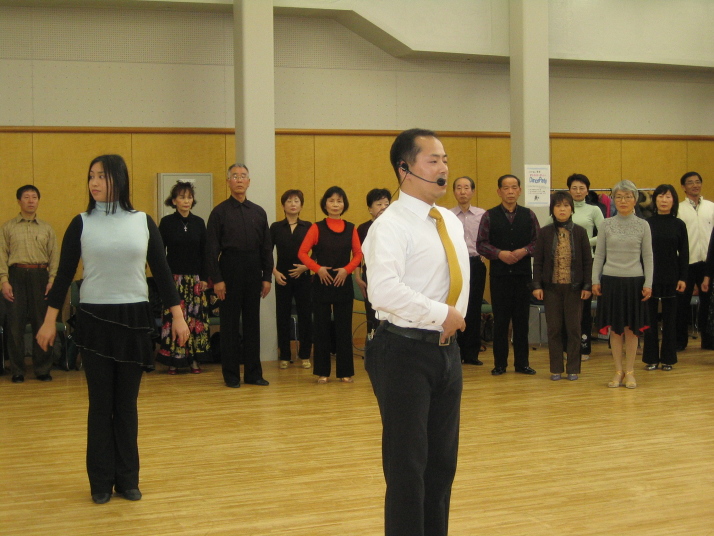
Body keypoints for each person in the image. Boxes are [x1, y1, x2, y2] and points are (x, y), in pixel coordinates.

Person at [36, 154, 189, 504]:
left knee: (126, 405)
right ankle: (100, 482)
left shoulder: (142, 221)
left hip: (133, 319)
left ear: (118, 179)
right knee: (100, 404)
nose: (94, 183)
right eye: (91, 176)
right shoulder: (81, 223)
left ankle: (128, 479)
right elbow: (64, 274)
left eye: (101, 176)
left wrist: (178, 315)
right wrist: (48, 321)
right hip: (95, 320)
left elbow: (162, 271)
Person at [363, 128, 469, 536]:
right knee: (408, 469)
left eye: (445, 159)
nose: (443, 168)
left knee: (441, 467)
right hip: (403, 352)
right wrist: (441, 313)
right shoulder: (389, 226)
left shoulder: (448, 221)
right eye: (433, 160)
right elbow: (383, 291)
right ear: (404, 169)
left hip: (446, 353)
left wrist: (449, 322)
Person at [206, 163, 273, 388]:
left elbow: (266, 248)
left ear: (249, 181)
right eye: (235, 176)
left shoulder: (258, 212)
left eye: (243, 176)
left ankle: (253, 373)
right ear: (228, 182)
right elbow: (211, 250)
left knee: (253, 324)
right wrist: (217, 279)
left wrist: (266, 277)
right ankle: (231, 375)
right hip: (229, 270)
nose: (239, 180)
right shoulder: (219, 212)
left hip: (254, 270)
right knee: (230, 325)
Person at [476, 174, 540, 376]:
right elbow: (481, 244)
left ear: (519, 190)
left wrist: (525, 251)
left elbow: (538, 242)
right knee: (501, 322)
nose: (510, 191)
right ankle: (500, 364)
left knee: (521, 322)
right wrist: (499, 254)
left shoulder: (529, 215)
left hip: (523, 276)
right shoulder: (489, 215)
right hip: (499, 276)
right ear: (499, 191)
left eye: (514, 187)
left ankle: (522, 364)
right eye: (506, 188)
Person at [592, 180, 653, 389]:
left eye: (628, 197)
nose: (623, 201)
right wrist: (595, 280)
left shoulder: (643, 225)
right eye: (619, 197)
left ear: (635, 200)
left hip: (635, 281)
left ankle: (630, 371)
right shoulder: (606, 224)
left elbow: (648, 256)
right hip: (610, 280)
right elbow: (599, 255)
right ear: (613, 200)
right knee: (616, 330)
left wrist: (648, 283)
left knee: (632, 330)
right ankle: (618, 371)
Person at [298, 186, 362, 383]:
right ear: (325, 204)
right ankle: (322, 372)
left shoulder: (351, 228)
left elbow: (358, 254)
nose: (335, 204)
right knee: (321, 329)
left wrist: (347, 270)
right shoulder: (316, 227)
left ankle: (345, 372)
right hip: (322, 282)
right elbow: (302, 253)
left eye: (339, 201)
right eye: (331, 201)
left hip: (343, 282)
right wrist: (317, 269)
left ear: (344, 204)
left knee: (343, 328)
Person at [531, 192, 593, 381]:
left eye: (566, 205)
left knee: (574, 329)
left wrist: (587, 285)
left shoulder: (580, 232)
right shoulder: (545, 232)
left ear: (572, 209)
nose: (562, 209)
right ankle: (556, 368)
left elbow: (587, 261)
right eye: (558, 206)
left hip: (575, 288)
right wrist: (537, 285)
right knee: (554, 329)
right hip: (551, 288)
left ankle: (573, 368)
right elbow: (538, 261)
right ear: (552, 210)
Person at [0, 185, 59, 383]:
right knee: (14, 326)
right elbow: (1, 256)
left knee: (42, 322)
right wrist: (4, 280)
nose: (31, 201)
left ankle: (42, 369)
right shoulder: (8, 227)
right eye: (26, 197)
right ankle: (17, 370)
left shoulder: (46, 228)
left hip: (40, 276)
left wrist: (52, 280)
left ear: (38, 201)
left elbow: (54, 257)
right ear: (19, 201)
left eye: (34, 197)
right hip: (15, 276)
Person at [156, 180, 210, 374]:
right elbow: (159, 254)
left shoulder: (199, 223)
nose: (186, 201)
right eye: (182, 197)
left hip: (195, 280)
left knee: (194, 319)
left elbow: (205, 253)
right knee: (175, 319)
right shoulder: (166, 223)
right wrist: (165, 280)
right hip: (174, 280)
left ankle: (194, 360)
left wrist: (204, 278)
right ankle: (174, 360)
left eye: (189, 197)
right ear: (174, 201)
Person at [643, 184, 688, 371]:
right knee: (650, 320)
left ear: (674, 201)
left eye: (668, 197)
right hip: (650, 277)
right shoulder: (647, 223)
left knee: (670, 320)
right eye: (660, 196)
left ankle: (668, 358)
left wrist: (683, 277)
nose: (664, 200)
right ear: (655, 200)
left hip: (672, 276)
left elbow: (684, 253)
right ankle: (651, 358)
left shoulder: (679, 224)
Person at [270, 189, 313, 369]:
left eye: (296, 201)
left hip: (304, 277)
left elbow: (317, 252)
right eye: (289, 201)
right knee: (282, 315)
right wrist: (274, 272)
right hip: (283, 277)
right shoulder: (275, 227)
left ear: (301, 205)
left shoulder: (308, 226)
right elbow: (266, 252)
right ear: (283, 205)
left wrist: (306, 267)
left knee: (305, 316)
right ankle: (285, 355)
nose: (293, 204)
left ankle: (305, 355)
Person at [567, 173, 605, 361]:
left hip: (586, 262)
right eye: (574, 188)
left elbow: (604, 233)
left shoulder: (594, 210)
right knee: (567, 307)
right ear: (569, 190)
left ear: (587, 190)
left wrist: (584, 242)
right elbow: (547, 232)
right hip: (564, 263)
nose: (578, 191)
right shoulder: (562, 208)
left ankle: (583, 348)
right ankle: (567, 347)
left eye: (581, 188)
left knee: (583, 307)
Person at [450, 176, 487, 366]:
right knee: (456, 306)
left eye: (466, 188)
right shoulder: (447, 215)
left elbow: (490, 239)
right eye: (459, 188)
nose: (463, 192)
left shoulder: (482, 215)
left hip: (475, 263)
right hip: (455, 265)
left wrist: (485, 253)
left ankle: (472, 353)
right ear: (454, 192)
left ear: (472, 191)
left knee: (474, 307)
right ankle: (455, 351)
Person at [676, 171, 714, 351]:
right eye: (690, 182)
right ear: (683, 187)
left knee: (709, 304)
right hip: (687, 263)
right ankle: (680, 341)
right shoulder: (679, 209)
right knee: (682, 304)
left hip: (708, 263)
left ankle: (708, 341)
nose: (695, 185)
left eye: (697, 182)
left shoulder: (711, 207)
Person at [355, 188, 391, 335]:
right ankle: (372, 343)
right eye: (379, 204)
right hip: (370, 276)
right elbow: (358, 255)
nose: (383, 207)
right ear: (370, 208)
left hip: (391, 276)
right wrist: (358, 277)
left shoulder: (395, 226)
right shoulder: (363, 228)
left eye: (386, 204)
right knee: (372, 314)